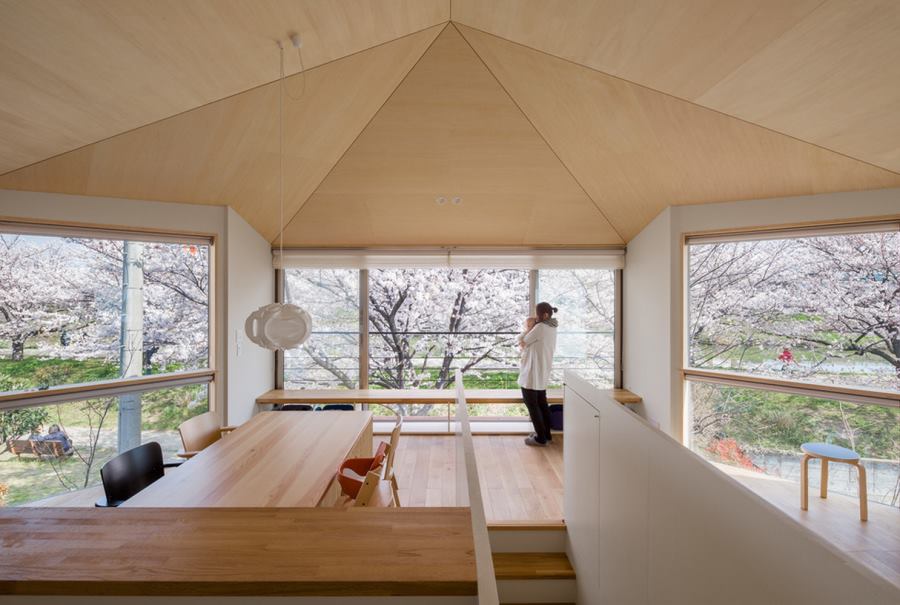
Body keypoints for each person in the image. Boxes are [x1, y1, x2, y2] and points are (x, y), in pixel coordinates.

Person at [518, 302, 558, 447]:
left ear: (544, 315)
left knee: (532, 405)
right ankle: (546, 435)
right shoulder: (552, 327)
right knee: (542, 404)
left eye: (537, 314)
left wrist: (528, 328)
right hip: (542, 371)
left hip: (532, 373)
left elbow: (524, 340)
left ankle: (541, 438)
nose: (535, 317)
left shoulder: (541, 327)